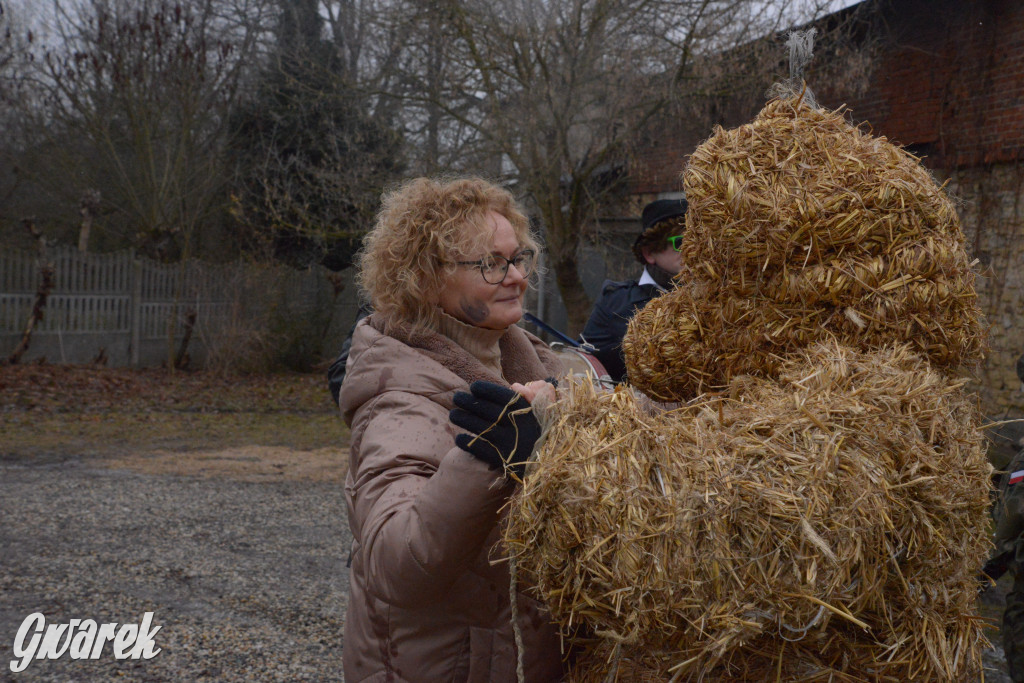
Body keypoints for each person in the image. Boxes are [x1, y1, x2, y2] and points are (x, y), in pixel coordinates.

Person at [337, 177, 568, 682]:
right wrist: (487, 456)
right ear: (425, 277)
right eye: (491, 263)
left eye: (519, 257)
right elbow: (395, 562)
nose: (517, 277)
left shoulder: (528, 363)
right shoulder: (398, 396)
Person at [578, 197, 687, 383]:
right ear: (649, 252)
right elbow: (581, 368)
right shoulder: (616, 303)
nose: (692, 249)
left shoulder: (715, 295)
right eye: (681, 241)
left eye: (698, 240)